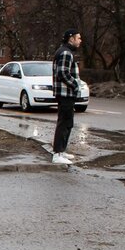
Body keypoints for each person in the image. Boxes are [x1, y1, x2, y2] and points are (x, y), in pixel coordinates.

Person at [51, 29, 82, 165]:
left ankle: (61, 151)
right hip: (65, 94)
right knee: (64, 123)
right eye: (78, 38)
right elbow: (62, 73)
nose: (80, 41)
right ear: (71, 39)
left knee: (67, 123)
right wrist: (75, 84)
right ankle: (57, 154)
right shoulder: (66, 53)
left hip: (65, 93)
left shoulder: (65, 51)